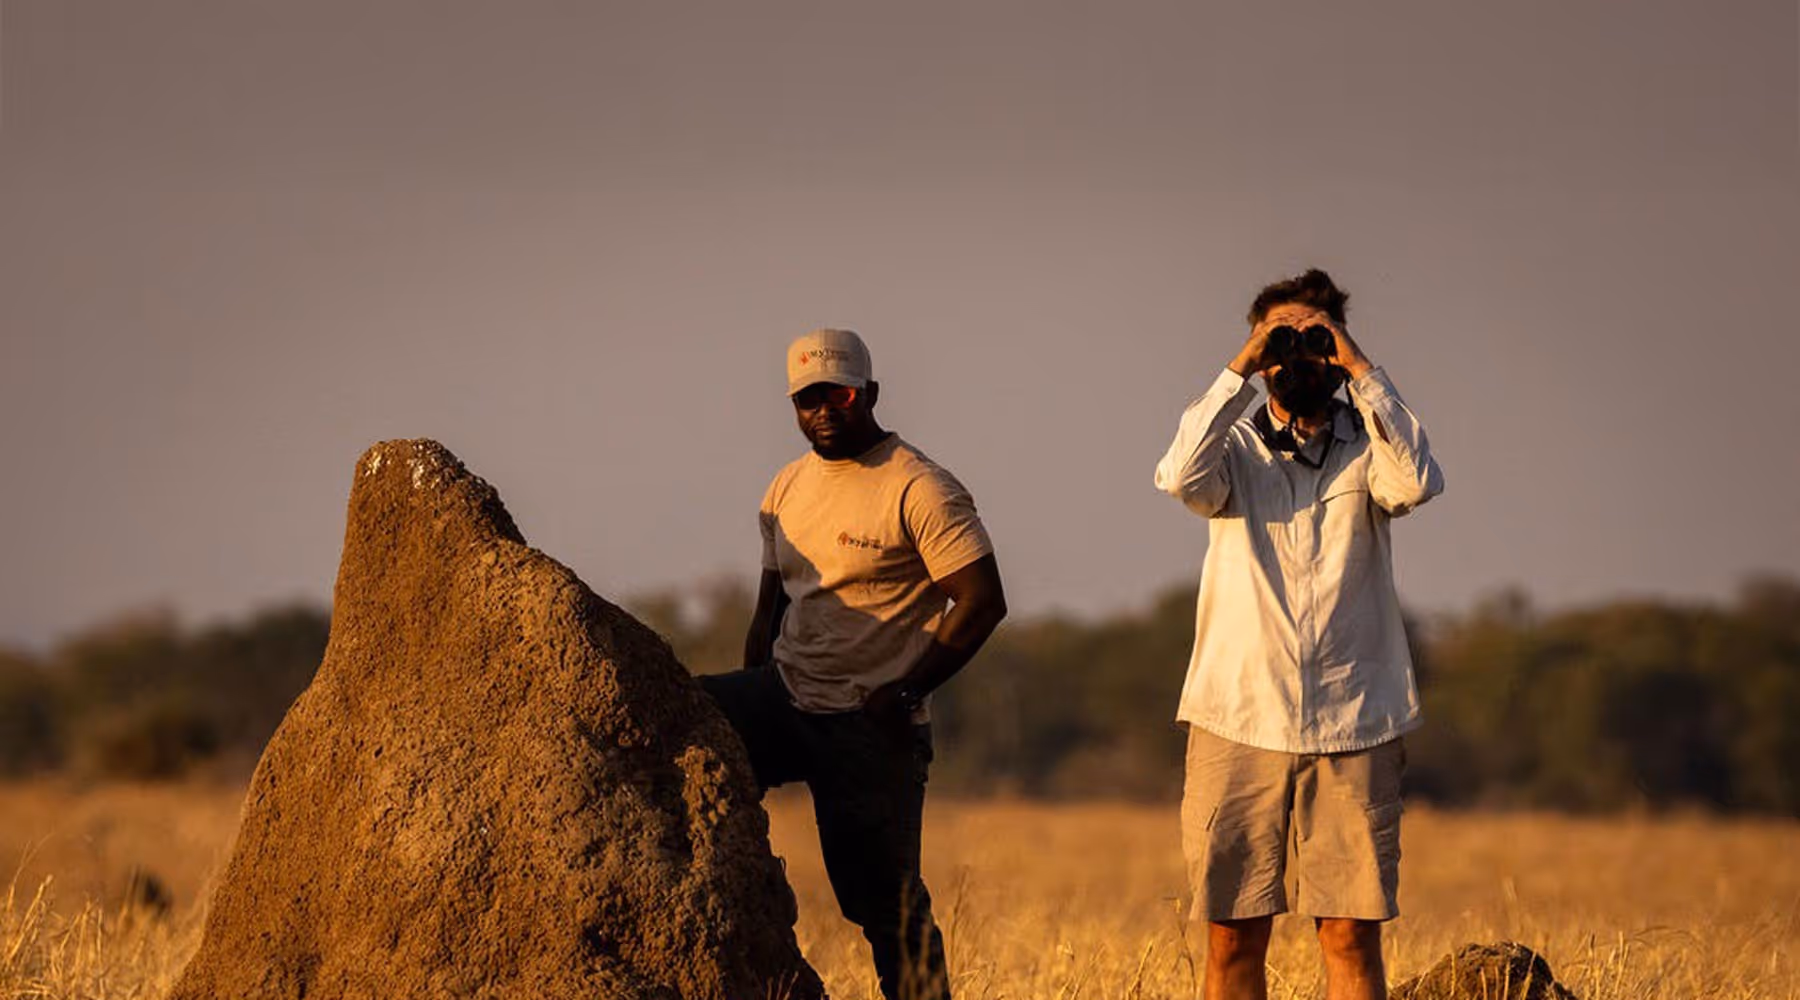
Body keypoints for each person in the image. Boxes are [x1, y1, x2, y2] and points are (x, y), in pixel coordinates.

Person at [1153, 269, 1444, 1000]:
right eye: (1282, 344)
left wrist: (1362, 369)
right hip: (1239, 717)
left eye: (1314, 342)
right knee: (1231, 939)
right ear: (1260, 355)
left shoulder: (1370, 449)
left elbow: (1415, 482)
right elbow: (1178, 477)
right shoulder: (1234, 455)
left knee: (1349, 935)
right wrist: (1239, 367)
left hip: (1355, 721)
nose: (1297, 359)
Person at [701, 328, 1007, 1000]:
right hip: (786, 696)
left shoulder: (920, 487)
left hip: (871, 722)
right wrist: (754, 680)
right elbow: (773, 603)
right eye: (807, 399)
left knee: (885, 908)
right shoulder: (786, 486)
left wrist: (904, 693)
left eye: (837, 394)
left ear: (868, 393)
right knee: (682, 721)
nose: (823, 410)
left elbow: (983, 601)